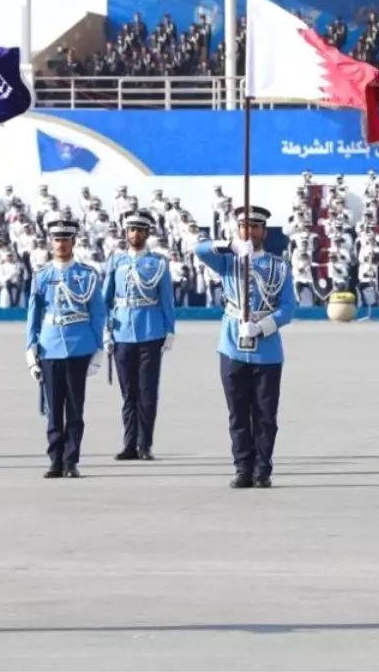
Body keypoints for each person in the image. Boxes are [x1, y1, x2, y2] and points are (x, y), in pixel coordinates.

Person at [194, 206, 295, 489]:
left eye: (254, 227)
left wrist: (262, 327)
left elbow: (288, 309)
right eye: (244, 227)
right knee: (238, 413)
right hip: (232, 347)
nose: (249, 231)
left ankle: (263, 469)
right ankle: (242, 467)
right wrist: (229, 246)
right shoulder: (229, 262)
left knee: (265, 415)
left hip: (267, 350)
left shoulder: (279, 267)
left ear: (264, 231)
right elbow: (199, 250)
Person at [25, 219, 106, 479]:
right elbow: (33, 314)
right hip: (49, 348)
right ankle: (54, 459)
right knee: (52, 410)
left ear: (74, 242)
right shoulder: (41, 276)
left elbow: (97, 314)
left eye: (65, 239)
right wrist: (30, 349)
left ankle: (71, 461)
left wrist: (97, 351)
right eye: (57, 239)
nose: (61, 244)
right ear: (51, 242)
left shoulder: (87, 275)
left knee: (74, 409)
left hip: (78, 347)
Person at [103, 211, 176, 461]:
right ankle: (129, 443)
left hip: (150, 331)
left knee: (147, 391)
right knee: (128, 393)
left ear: (147, 233)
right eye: (131, 230)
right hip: (122, 332)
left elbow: (166, 299)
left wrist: (170, 330)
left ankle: (145, 444)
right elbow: (105, 299)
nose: (135, 234)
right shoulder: (116, 261)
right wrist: (106, 331)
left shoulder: (158, 263)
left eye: (140, 230)